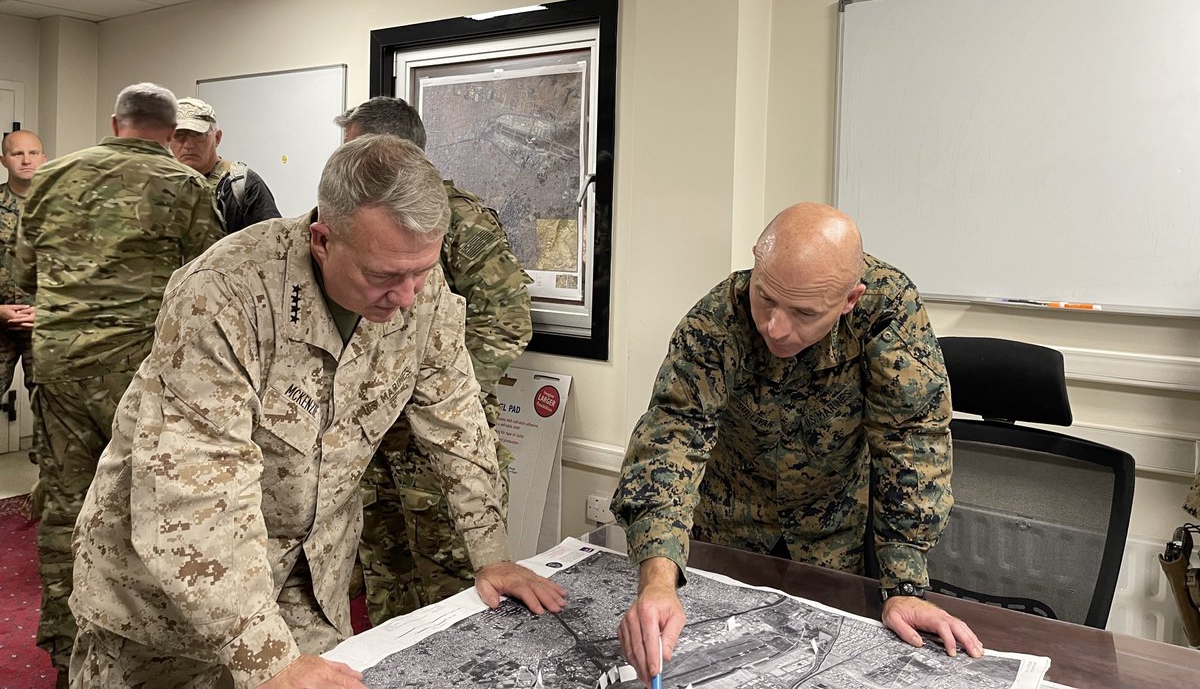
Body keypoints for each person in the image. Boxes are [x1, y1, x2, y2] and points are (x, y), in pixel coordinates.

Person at [68, 134, 565, 689]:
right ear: (323, 240)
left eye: (420, 272)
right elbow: (193, 492)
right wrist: (266, 659)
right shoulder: (225, 295)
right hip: (170, 603)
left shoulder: (417, 287)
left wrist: (491, 554)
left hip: (304, 584)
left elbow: (458, 423)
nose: (406, 296)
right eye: (382, 277)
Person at [611, 203, 982, 686]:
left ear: (850, 299)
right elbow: (671, 438)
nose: (775, 327)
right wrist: (658, 579)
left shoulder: (888, 312)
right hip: (726, 535)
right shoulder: (717, 320)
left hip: (829, 538)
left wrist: (905, 584)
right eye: (766, 299)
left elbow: (911, 442)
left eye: (804, 313)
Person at [15, 84, 224, 683]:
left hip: (57, 364)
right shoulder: (186, 187)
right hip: (135, 372)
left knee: (65, 504)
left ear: (115, 122)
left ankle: (63, 649)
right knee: (147, 509)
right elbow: (204, 282)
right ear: (171, 131)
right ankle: (141, 655)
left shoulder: (52, 178)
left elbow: (25, 272)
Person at [335, 97, 533, 623]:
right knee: (385, 586)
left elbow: (507, 324)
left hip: (441, 446)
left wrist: (424, 383)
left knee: (457, 594)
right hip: (374, 444)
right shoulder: (352, 228)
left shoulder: (461, 220)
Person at [170, 96, 281, 232]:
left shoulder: (242, 185)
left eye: (198, 135)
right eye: (179, 136)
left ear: (217, 138)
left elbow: (274, 243)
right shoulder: (159, 183)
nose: (188, 145)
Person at [0, 129, 46, 401]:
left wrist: (49, 310)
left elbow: (78, 270)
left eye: (33, 153)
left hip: (42, 324)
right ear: (4, 160)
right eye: (17, 153)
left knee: (52, 411)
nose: (26, 160)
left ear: (43, 159)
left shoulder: (62, 207)